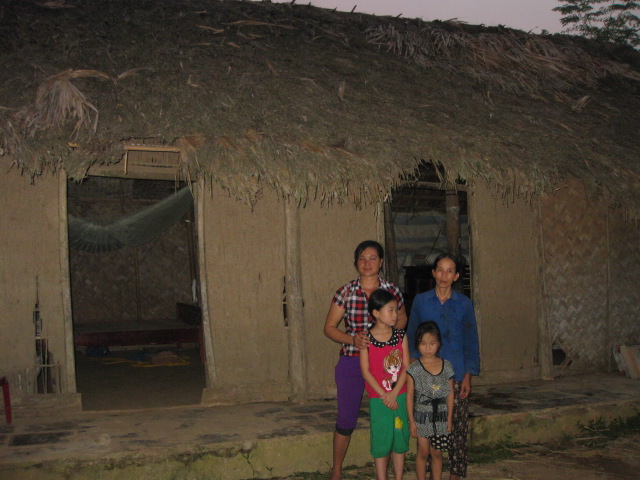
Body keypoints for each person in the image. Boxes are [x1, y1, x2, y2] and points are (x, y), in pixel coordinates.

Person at [324, 240, 408, 480]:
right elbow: (329, 328)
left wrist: (390, 338)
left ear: (381, 262)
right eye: (362, 258)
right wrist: (353, 340)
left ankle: (388, 471)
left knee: (389, 413)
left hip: (386, 362)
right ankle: (337, 468)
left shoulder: (392, 290)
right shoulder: (346, 292)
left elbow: (402, 318)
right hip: (353, 359)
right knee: (346, 417)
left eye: (372, 258)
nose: (367, 263)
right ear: (356, 263)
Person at [406, 253, 479, 480]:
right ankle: (428, 473)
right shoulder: (421, 301)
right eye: (440, 269)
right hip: (426, 375)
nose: (444, 275)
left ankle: (455, 473)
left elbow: (471, 339)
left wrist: (468, 375)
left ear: (456, 276)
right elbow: (412, 335)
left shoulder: (464, 304)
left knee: (456, 426)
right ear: (433, 273)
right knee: (427, 427)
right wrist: (414, 370)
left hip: (455, 372)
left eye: (449, 271)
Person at [360, 289, 410, 480]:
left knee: (399, 438)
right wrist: (384, 395)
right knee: (381, 440)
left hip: (400, 396)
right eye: (390, 310)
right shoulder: (366, 339)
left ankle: (399, 477)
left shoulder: (401, 336)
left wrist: (394, 393)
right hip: (378, 399)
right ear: (376, 313)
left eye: (396, 310)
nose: (395, 314)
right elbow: (366, 372)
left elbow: (406, 366)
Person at [407, 321, 455, 480]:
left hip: (441, 416)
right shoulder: (414, 368)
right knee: (423, 452)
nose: (428, 348)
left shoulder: (446, 366)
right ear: (417, 344)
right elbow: (409, 396)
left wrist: (449, 418)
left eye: (432, 343)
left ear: (439, 343)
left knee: (437, 453)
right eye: (423, 344)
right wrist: (412, 421)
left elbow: (450, 394)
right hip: (422, 417)